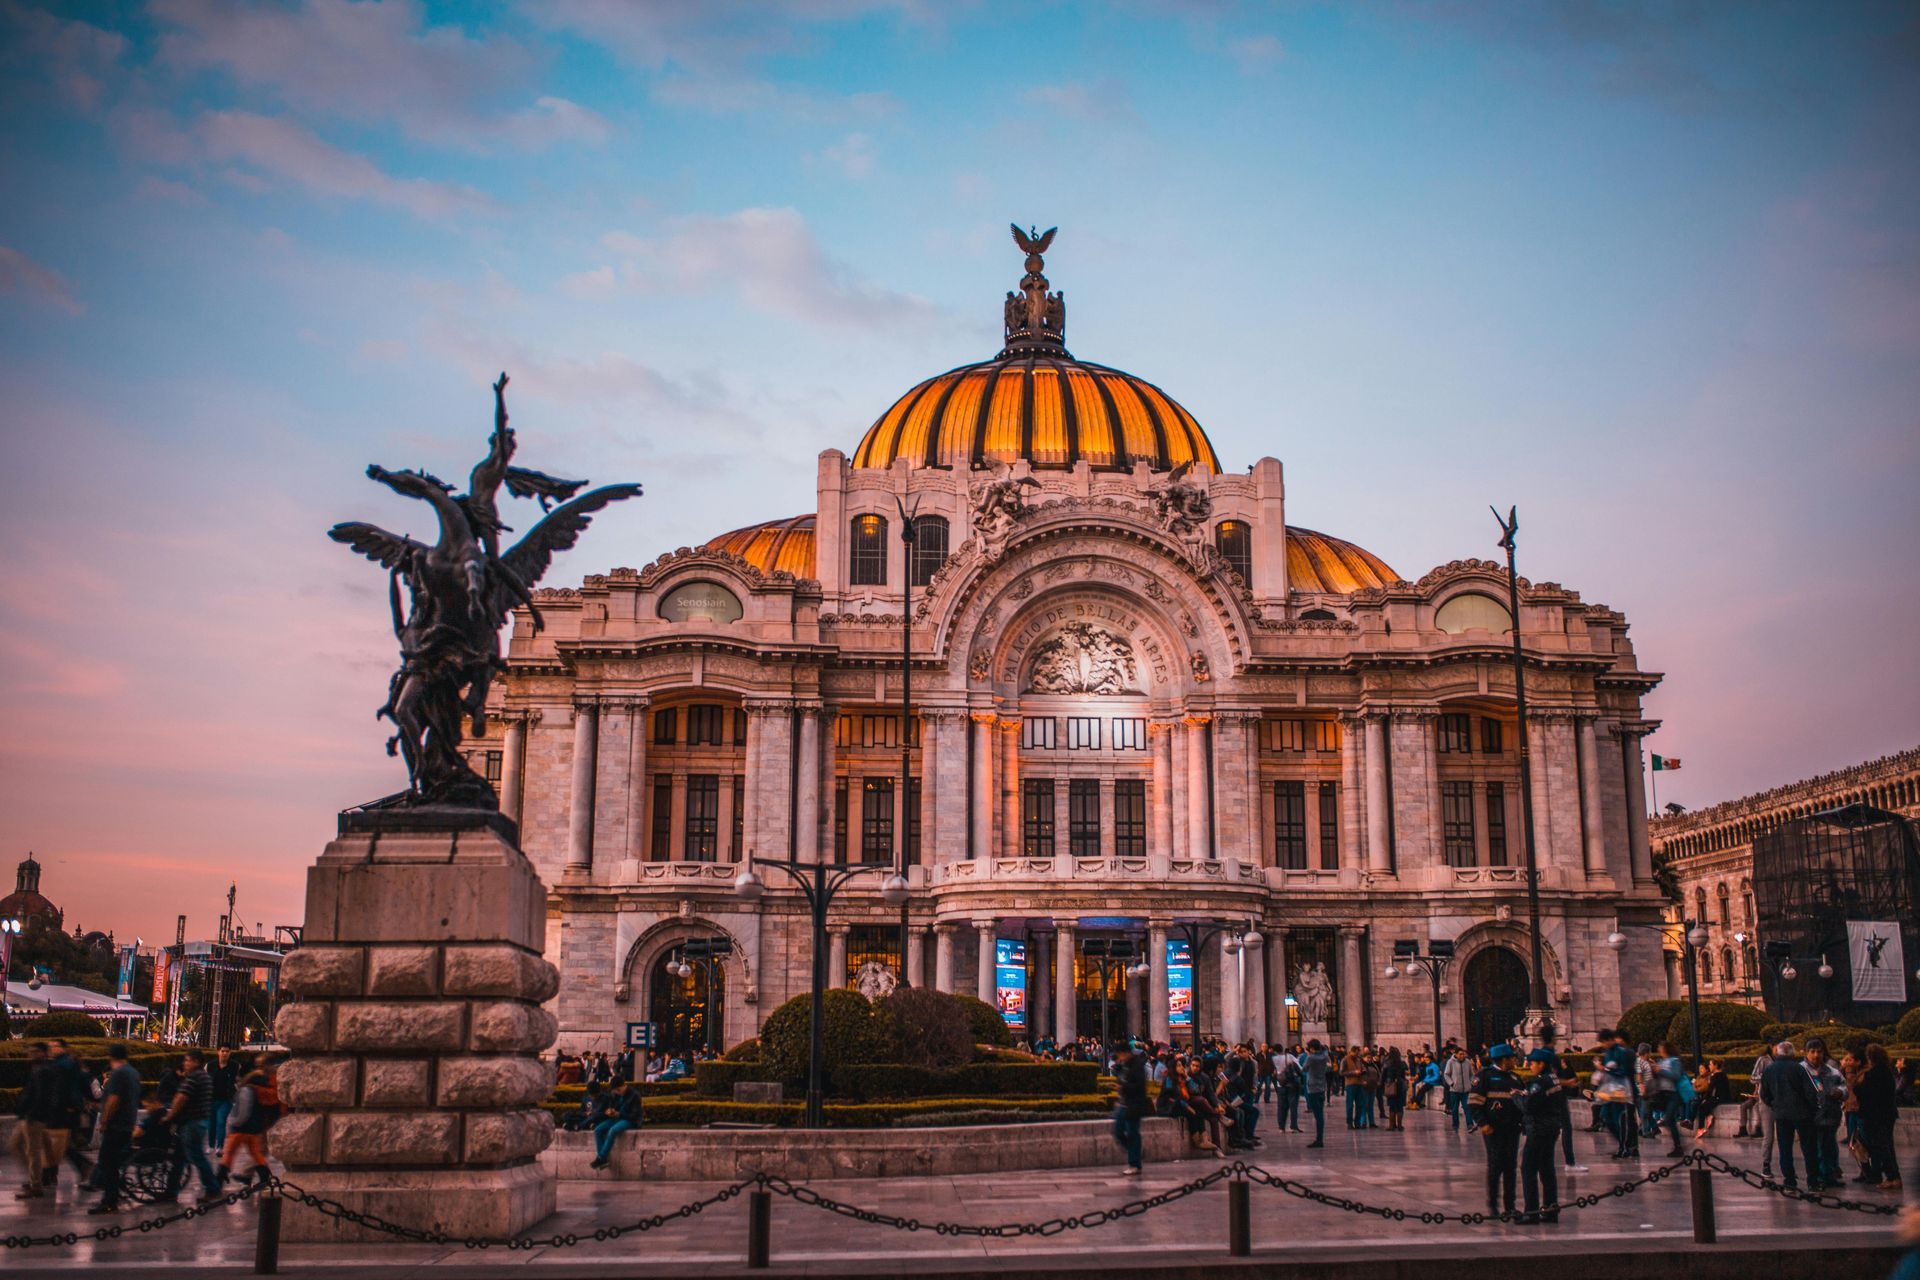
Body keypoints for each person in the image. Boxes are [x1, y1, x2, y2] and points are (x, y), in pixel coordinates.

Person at [1468, 1043, 1524, 1219]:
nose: (1515, 1061)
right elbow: (1474, 1104)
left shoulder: (1515, 1078)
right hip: (1493, 1130)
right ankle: (1493, 1205)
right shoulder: (1484, 1077)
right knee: (1495, 1167)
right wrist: (1483, 1123)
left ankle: (1510, 1206)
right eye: (1512, 1058)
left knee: (1510, 1168)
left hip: (1512, 1129)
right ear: (1504, 1059)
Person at [158, 1048, 222, 1202]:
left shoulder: (194, 1077)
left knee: (196, 1157)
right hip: (198, 1121)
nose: (185, 1063)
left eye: (188, 1060)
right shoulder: (204, 1077)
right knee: (179, 1158)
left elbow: (181, 1098)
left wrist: (169, 1116)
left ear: (197, 1062)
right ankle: (171, 1190)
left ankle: (212, 1188)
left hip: (192, 1122)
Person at [87, 1045, 144, 1215]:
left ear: (112, 1057)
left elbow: (114, 1099)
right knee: (113, 1162)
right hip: (127, 1123)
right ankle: (113, 1195)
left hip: (116, 1125)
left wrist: (104, 1120)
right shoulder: (133, 1073)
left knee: (108, 1162)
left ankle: (110, 1200)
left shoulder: (119, 1074)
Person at [1758, 1039, 1821, 1190]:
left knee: (1785, 1149)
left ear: (1777, 1053)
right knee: (1809, 1149)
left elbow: (1764, 1094)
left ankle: (1789, 1181)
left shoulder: (1769, 1070)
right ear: (1792, 1053)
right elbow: (1811, 1092)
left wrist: (1774, 1105)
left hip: (1781, 1115)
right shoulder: (1799, 1069)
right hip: (1802, 1114)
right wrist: (1812, 1109)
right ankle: (1812, 1182)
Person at [1517, 1048, 1568, 1225]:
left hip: (1538, 1129)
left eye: (1532, 1063)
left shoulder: (1539, 1082)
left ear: (1541, 1064)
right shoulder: (1554, 1079)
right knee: (1547, 1169)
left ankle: (1531, 1212)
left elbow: (1528, 1106)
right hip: (1552, 1128)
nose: (1530, 1066)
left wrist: (1518, 1097)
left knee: (1528, 1169)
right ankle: (1550, 1209)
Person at [1853, 1043, 1901, 1192]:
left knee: (1881, 1147)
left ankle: (1891, 1176)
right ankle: (1895, 1177)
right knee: (1888, 1146)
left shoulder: (1872, 1074)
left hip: (1874, 1116)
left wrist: (1858, 1084)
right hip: (1888, 1114)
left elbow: (1862, 1092)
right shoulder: (1887, 1071)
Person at [11, 1043, 55, 1199]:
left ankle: (36, 1184)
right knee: (16, 1145)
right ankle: (35, 1177)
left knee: (33, 1151)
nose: (31, 1054)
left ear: (43, 1053)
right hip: (28, 1116)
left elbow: (41, 1096)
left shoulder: (44, 1070)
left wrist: (32, 1114)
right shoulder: (37, 1069)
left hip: (34, 1117)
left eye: (35, 1051)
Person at [1804, 1037, 1847, 1191]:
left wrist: (1840, 1092)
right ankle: (1819, 1177)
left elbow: (1844, 1086)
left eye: (1819, 1051)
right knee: (1818, 1149)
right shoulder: (1802, 1071)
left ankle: (1831, 1175)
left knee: (1831, 1148)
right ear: (1806, 1053)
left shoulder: (1832, 1071)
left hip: (1831, 1116)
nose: (1816, 1055)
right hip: (1813, 1118)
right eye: (1812, 1052)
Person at [216, 1069, 273, 1187]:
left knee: (228, 1153)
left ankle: (219, 1180)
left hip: (241, 1129)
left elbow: (243, 1111)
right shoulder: (260, 1090)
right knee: (256, 1154)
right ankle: (264, 1178)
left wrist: (233, 1123)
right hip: (254, 1129)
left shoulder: (246, 1090)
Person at [588, 1078, 643, 1171]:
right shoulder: (616, 1095)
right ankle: (602, 1159)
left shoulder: (634, 1095)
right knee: (598, 1130)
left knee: (612, 1130)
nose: (617, 1093)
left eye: (618, 1090)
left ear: (622, 1087)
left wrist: (619, 1114)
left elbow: (635, 1115)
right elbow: (613, 1106)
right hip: (616, 1118)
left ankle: (601, 1158)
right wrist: (611, 1111)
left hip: (629, 1120)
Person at [1112, 1041, 1149, 1176]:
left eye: (1119, 1055)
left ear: (1125, 1053)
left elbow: (1139, 1086)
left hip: (1134, 1104)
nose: (1119, 1058)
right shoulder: (1124, 1065)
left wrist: (1123, 1087)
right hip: (1124, 1103)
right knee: (1117, 1131)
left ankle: (1135, 1164)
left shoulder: (1137, 1065)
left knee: (1132, 1133)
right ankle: (1136, 1153)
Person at [1300, 1039, 1331, 1148]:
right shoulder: (1324, 1056)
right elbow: (1325, 1052)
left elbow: (1303, 1069)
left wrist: (1308, 1055)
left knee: (1318, 1115)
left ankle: (1319, 1140)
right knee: (1320, 1114)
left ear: (1312, 1048)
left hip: (1313, 1088)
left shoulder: (1310, 1058)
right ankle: (1320, 1137)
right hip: (1322, 1087)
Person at [207, 1046, 238, 1152]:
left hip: (226, 1100)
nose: (224, 1053)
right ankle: (211, 1145)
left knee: (221, 1121)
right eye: (222, 1051)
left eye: (227, 1051)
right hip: (211, 1099)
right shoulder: (210, 1066)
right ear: (218, 1052)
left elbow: (239, 1079)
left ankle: (219, 1146)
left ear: (230, 1053)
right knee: (211, 1123)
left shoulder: (234, 1066)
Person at [1693, 1059, 1731, 1140]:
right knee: (1702, 1103)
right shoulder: (1722, 1074)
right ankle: (1709, 1116)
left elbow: (1710, 1090)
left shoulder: (1715, 1076)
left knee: (1702, 1106)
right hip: (1722, 1097)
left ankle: (1701, 1128)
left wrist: (1705, 1099)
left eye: (1710, 1064)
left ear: (1715, 1066)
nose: (1709, 1066)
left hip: (1720, 1098)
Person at [1442, 1045, 1473, 1134]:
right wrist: (1451, 1083)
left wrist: (1471, 1082)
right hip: (1454, 1091)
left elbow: (1471, 1074)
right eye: (1460, 1054)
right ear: (1455, 1054)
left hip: (1466, 1090)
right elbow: (1446, 1074)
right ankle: (1455, 1124)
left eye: (1463, 1054)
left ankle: (1469, 1124)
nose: (1462, 1056)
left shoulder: (1467, 1062)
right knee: (1455, 1109)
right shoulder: (1450, 1062)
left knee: (1467, 1108)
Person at [1380, 1047, 1408, 1131]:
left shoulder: (1387, 1063)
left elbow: (1383, 1076)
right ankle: (1399, 1125)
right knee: (1399, 1106)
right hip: (1400, 1086)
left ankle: (1391, 1125)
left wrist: (1382, 1086)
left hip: (1391, 1086)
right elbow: (1403, 1075)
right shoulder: (1402, 1063)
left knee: (1392, 1106)